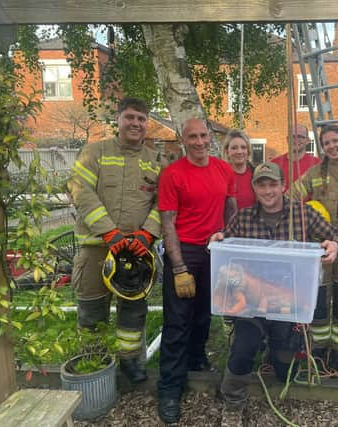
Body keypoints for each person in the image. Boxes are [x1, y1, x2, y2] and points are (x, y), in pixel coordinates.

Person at [211, 162, 338, 414]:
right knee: (242, 350)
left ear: (283, 186)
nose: (268, 191)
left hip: (289, 303)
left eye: (273, 184)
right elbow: (225, 240)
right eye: (261, 185)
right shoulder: (243, 218)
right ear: (254, 188)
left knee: (285, 368)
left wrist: (335, 245)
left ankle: (275, 351)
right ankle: (232, 402)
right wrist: (219, 238)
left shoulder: (303, 215)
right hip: (251, 303)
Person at [68, 97, 161, 384]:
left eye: (141, 119)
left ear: (147, 124)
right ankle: (94, 363)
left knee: (133, 311)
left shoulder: (156, 161)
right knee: (92, 309)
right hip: (97, 249)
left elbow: (164, 203)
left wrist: (146, 233)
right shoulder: (94, 152)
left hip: (137, 251)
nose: (135, 123)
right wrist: (109, 231)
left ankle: (129, 362)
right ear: (118, 120)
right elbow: (79, 189)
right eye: (130, 117)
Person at [156, 118, 237, 424]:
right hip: (186, 250)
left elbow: (231, 209)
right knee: (177, 321)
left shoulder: (223, 169)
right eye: (193, 137)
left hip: (214, 249)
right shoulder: (172, 174)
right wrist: (178, 268)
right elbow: (168, 223)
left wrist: (230, 239)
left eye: (204, 136)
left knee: (204, 314)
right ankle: (169, 388)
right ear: (182, 139)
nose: (200, 141)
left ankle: (197, 359)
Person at [292, 124, 338, 371]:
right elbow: (289, 198)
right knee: (321, 302)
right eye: (327, 143)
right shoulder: (313, 175)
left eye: (336, 141)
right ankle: (320, 347)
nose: (332, 146)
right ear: (322, 147)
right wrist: (304, 225)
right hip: (320, 251)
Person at [272, 124, 320, 191]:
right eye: (293, 136)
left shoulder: (318, 164)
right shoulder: (274, 165)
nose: (296, 140)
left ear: (308, 140)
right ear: (287, 139)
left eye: (300, 136)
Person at [222, 129, 256, 209]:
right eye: (234, 148)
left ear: (248, 151)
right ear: (227, 151)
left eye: (243, 147)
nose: (239, 151)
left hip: (252, 220)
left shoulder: (257, 174)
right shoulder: (220, 175)